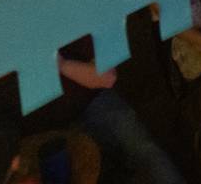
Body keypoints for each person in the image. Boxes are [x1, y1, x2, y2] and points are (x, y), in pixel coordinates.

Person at [53, 44, 184, 184]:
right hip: (46, 125)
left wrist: (60, 64)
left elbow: (107, 77)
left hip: (92, 102)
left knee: (144, 151)